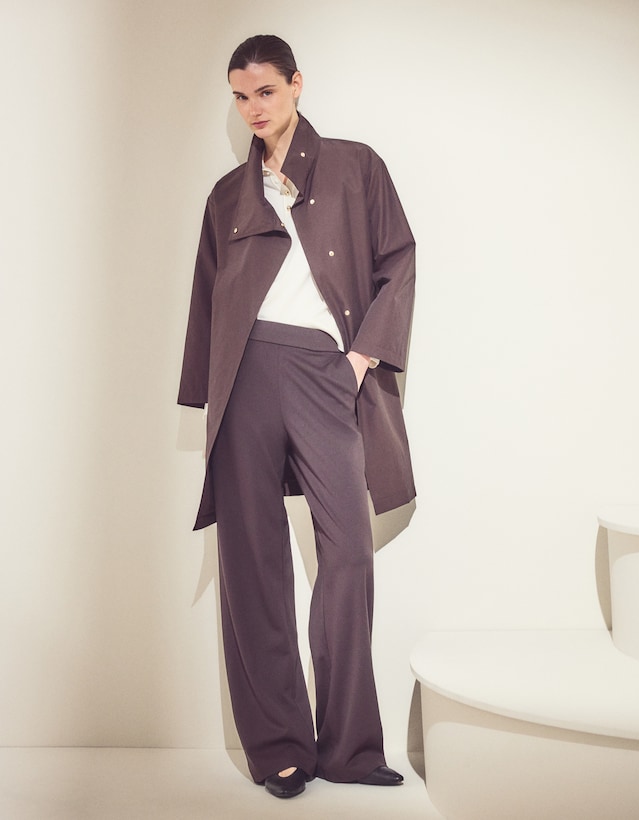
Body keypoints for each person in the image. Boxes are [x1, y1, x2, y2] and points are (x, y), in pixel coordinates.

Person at [178, 34, 415, 800]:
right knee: (252, 557)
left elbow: (398, 260)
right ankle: (279, 748)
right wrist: (204, 392)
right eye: (239, 96)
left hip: (324, 369)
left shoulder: (354, 167)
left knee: (347, 551)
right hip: (244, 373)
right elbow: (207, 299)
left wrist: (360, 359)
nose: (252, 108)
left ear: (296, 85)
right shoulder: (228, 195)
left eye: (265, 92)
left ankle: (348, 747)